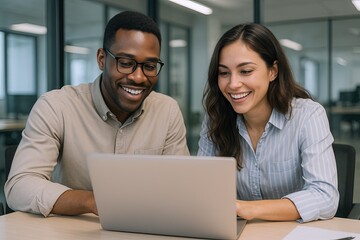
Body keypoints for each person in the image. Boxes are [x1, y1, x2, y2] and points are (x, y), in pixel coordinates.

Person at [5, 11, 190, 217]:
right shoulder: (57, 106)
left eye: (149, 66)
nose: (138, 77)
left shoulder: (167, 111)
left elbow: (181, 188)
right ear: (102, 59)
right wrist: (93, 201)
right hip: (72, 232)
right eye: (126, 63)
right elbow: (19, 186)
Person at [197, 23, 338, 223]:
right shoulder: (215, 117)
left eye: (245, 71)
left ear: (273, 71)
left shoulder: (307, 116)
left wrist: (247, 208)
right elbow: (203, 189)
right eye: (224, 72)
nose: (233, 84)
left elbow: (325, 197)